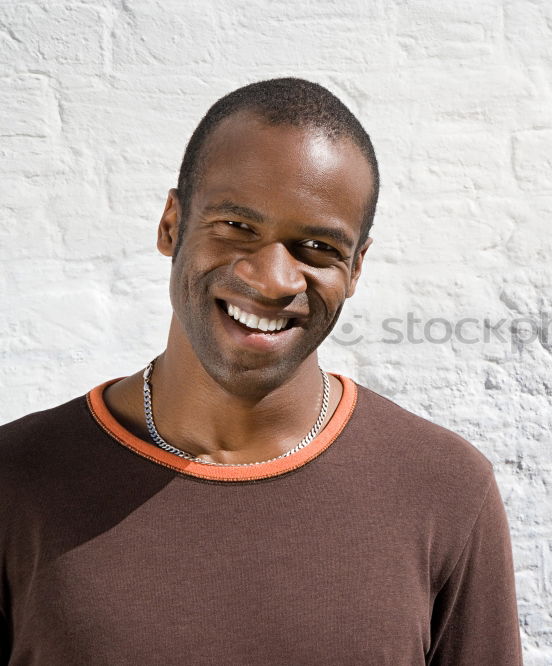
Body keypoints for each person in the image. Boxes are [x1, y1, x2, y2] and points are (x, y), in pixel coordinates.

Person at [0, 78, 523, 665]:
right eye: (237, 228)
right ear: (172, 225)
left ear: (356, 267)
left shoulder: (445, 489)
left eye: (317, 246)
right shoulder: (15, 480)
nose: (273, 279)